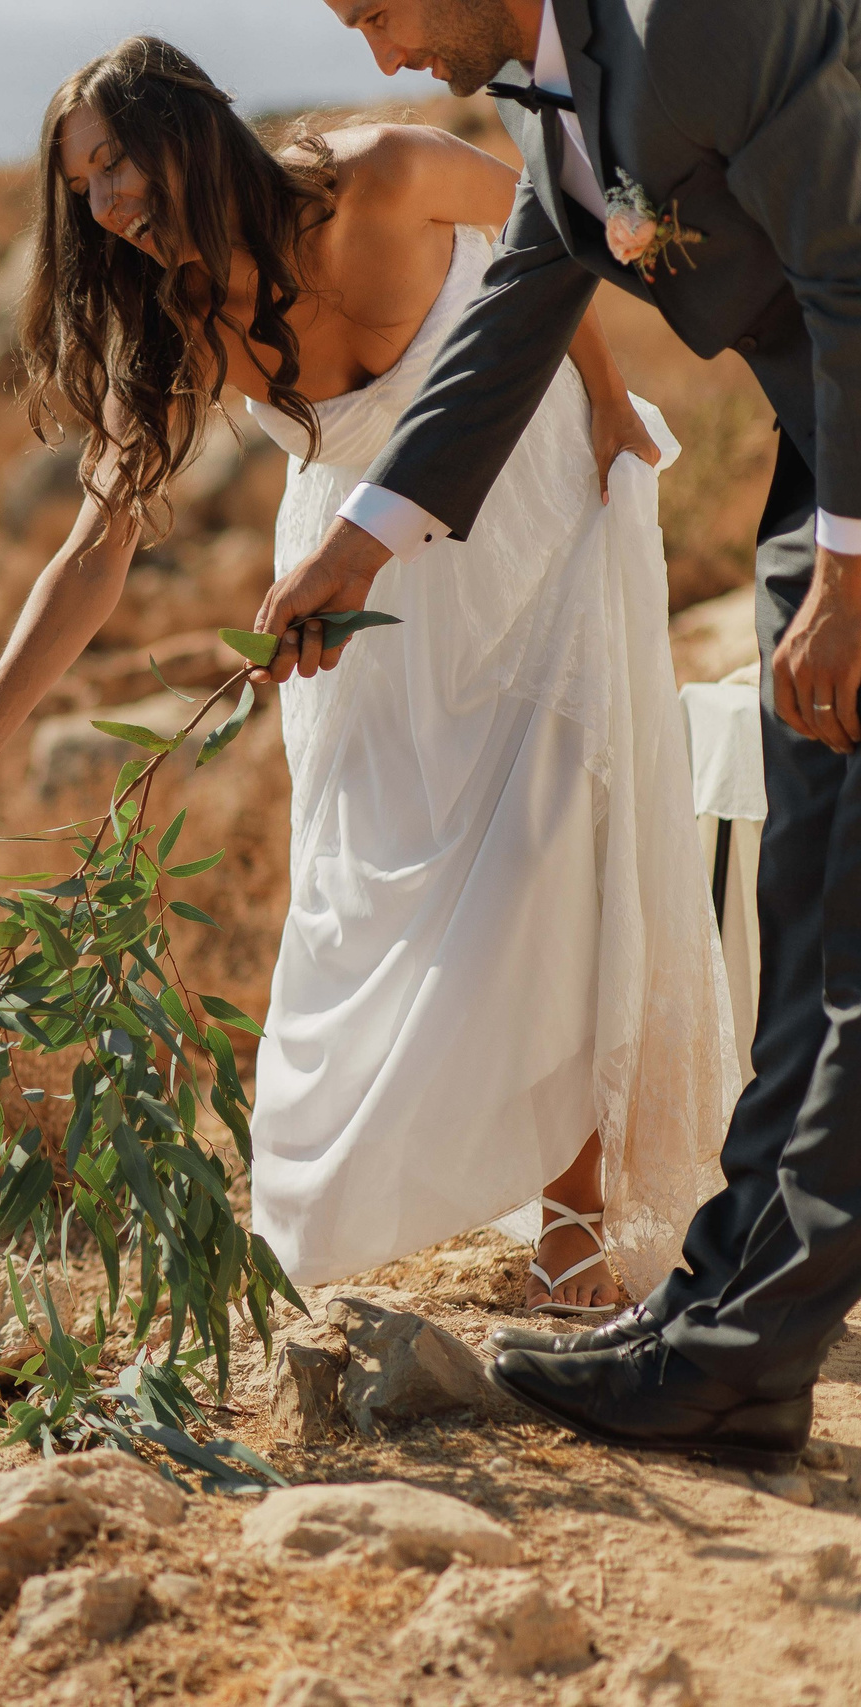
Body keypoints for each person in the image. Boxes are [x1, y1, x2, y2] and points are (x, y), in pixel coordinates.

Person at [0, 36, 735, 1318]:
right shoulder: (169, 320)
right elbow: (97, 540)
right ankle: (370, 1203)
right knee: (375, 883)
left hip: (532, 514)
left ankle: (575, 1227)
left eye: (112, 163)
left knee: (553, 851)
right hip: (352, 594)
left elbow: (555, 234)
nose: (102, 204)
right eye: (79, 188)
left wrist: (610, 401)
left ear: (182, 130)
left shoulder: (388, 171)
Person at [270, 0, 861, 1472]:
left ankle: (744, 1354)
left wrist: (852, 574)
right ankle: (720, 1310)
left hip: (854, 494)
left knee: (857, 943)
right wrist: (362, 546)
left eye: (379, 10)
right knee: (805, 904)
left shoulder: (697, 23)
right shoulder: (558, 99)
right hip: (826, 459)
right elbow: (513, 323)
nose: (380, 58)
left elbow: (855, 268)